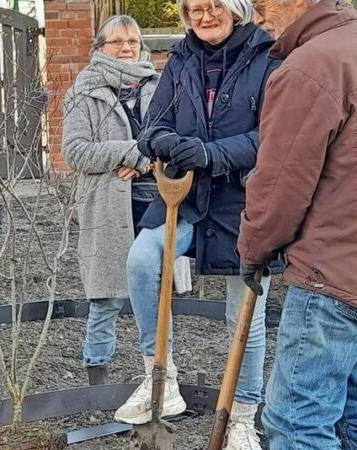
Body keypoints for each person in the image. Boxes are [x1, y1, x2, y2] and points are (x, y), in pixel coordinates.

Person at [113, 0, 280, 447]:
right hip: (187, 198)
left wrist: (212, 154)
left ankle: (243, 415)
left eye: (214, 6)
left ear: (236, 7)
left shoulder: (267, 57)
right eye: (195, 8)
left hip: (243, 205)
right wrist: (170, 143)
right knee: (143, 258)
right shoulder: (181, 58)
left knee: (245, 311)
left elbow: (273, 133)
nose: (205, 16)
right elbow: (152, 127)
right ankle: (159, 376)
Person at [240, 0, 357, 448]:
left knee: (297, 423)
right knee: (350, 421)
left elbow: (279, 187)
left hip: (331, 278)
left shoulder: (310, 67)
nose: (256, 17)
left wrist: (254, 249)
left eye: (262, 4)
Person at [62, 15, 161, 385]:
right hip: (107, 203)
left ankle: (156, 374)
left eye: (132, 41)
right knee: (107, 295)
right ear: (100, 48)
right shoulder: (83, 92)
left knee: (155, 292)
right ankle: (97, 371)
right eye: (116, 42)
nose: (126, 48)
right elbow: (75, 152)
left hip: (158, 201)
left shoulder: (160, 86)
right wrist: (133, 152)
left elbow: (176, 140)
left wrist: (144, 161)